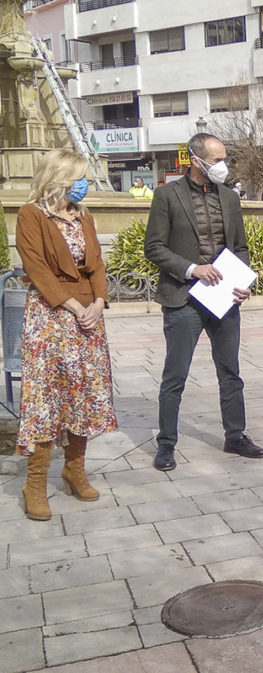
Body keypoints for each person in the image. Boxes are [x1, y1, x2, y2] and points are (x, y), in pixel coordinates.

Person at [144, 132, 263, 472]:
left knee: (230, 372)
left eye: (223, 159)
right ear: (195, 161)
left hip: (224, 299)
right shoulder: (166, 196)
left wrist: (243, 283)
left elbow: (239, 247)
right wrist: (192, 269)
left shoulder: (229, 198)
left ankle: (235, 436)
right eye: (216, 160)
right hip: (183, 299)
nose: (222, 166)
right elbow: (154, 247)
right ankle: (166, 443)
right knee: (175, 375)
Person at [15, 149, 118, 521]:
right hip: (50, 317)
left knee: (84, 394)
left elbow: (97, 265)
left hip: (88, 318)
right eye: (78, 176)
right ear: (58, 178)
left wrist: (100, 302)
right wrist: (74, 306)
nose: (83, 183)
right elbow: (36, 268)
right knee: (46, 399)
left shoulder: (83, 216)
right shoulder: (31, 215)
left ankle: (74, 470)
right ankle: (36, 483)